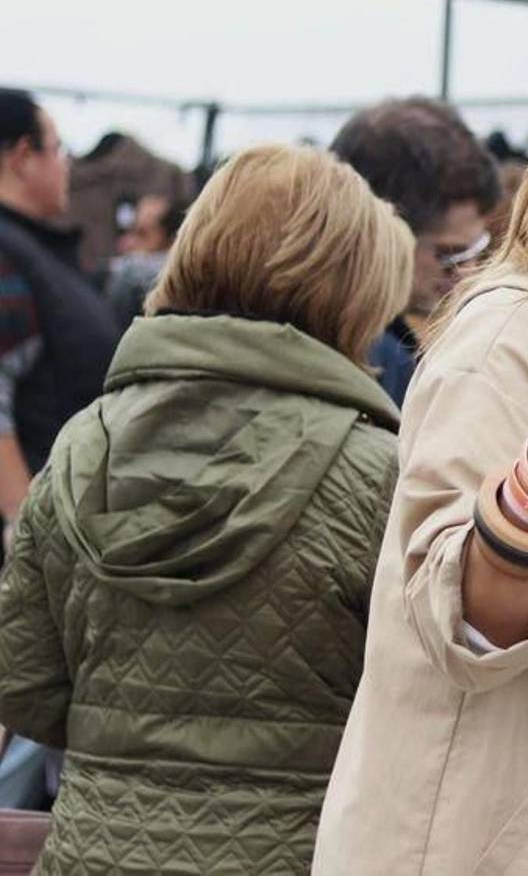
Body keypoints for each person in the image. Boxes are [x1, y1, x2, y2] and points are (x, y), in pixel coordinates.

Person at [0, 143, 413, 873]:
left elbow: (25, 687)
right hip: (303, 850)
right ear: (357, 285)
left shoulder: (80, 445)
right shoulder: (379, 470)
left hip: (96, 848)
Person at [0, 90, 120, 556]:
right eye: (58, 148)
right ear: (24, 157)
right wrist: (21, 524)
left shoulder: (37, 250)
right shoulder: (8, 253)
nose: (66, 165)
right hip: (36, 540)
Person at [331, 96, 503, 405]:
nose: (469, 272)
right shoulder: (374, 360)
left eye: (479, 249)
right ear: (379, 235)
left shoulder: (387, 341)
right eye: (448, 254)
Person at [104, 191, 188, 328]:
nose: (126, 242)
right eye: (130, 231)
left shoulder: (129, 276)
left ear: (171, 240)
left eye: (142, 234)